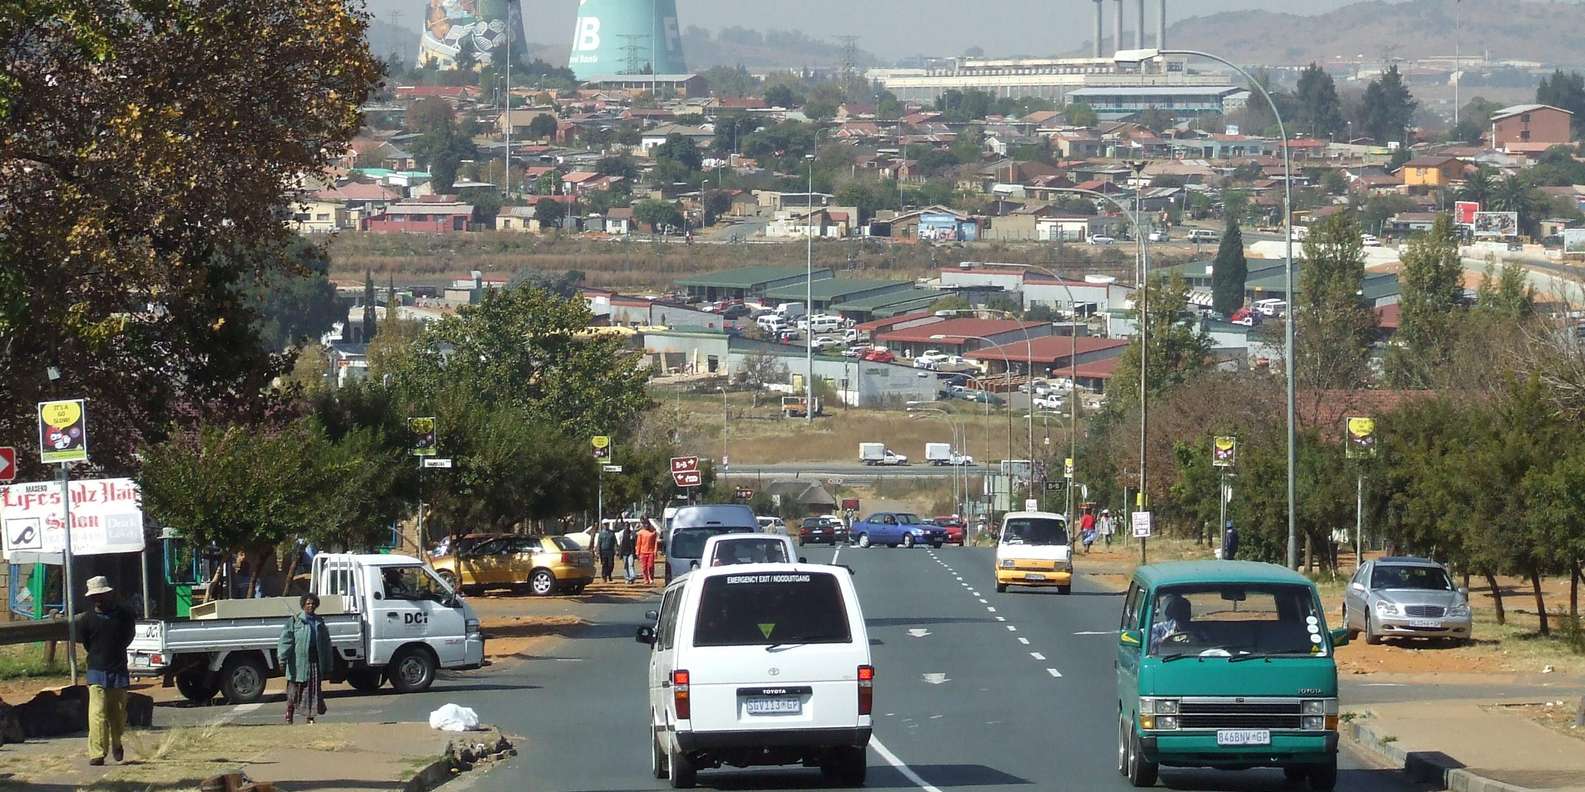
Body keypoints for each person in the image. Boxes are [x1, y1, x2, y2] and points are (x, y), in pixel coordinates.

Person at [78, 576, 134, 765]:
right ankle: (97, 753)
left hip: (118, 669)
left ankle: (117, 743)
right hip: (96, 669)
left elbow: (128, 637)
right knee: (97, 713)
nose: (98, 599)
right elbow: (87, 643)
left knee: (117, 714)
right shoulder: (87, 620)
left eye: (101, 595)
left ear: (109, 594)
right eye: (94, 596)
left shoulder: (124, 616)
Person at [278, 593, 333, 725]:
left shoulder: (320, 622)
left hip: (314, 659)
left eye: (313, 603)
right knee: (294, 689)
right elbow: (286, 641)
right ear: (303, 605)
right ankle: (289, 712)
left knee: (312, 690)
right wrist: (282, 658)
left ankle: (310, 717)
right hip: (297, 661)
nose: (311, 605)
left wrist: (328, 663)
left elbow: (326, 643)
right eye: (308, 603)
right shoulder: (295, 621)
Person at [635, 521, 659, 586]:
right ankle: (646, 579)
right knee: (644, 567)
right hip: (642, 552)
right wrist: (637, 552)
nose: (645, 525)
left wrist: (655, 551)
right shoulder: (641, 533)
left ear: (649, 524)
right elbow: (638, 543)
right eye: (644, 524)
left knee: (650, 566)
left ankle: (651, 578)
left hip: (650, 552)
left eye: (647, 524)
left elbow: (655, 543)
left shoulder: (653, 532)